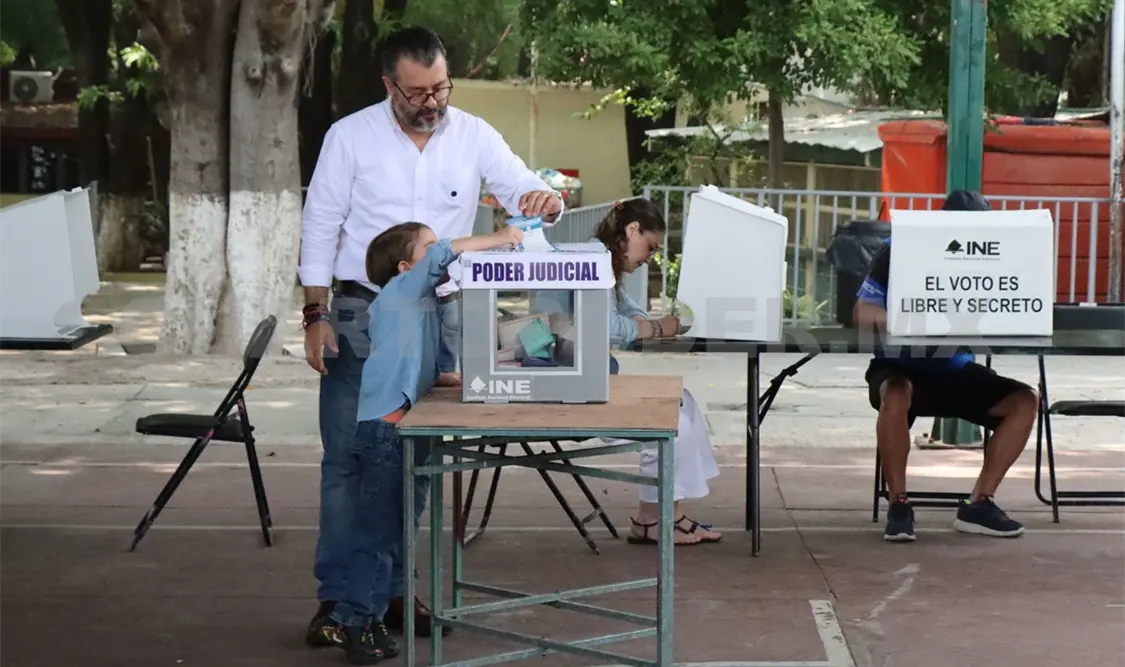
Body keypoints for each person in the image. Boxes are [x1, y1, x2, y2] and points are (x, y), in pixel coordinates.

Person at [298, 26, 563, 646]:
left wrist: (540, 200)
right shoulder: (350, 137)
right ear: (390, 85)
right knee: (348, 461)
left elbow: (521, 185)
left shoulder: (473, 134)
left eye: (441, 87)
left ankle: (388, 594)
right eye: (417, 91)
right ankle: (336, 602)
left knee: (414, 460)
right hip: (359, 315)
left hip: (439, 316)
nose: (432, 101)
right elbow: (320, 224)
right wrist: (314, 316)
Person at [325, 221, 524, 665]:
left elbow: (443, 360)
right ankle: (354, 619)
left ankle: (368, 614)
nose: (443, 254)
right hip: (384, 431)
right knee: (376, 535)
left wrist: (451, 299)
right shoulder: (397, 294)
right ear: (404, 267)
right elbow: (445, 254)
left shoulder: (422, 306)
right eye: (430, 248)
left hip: (407, 430)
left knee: (395, 533)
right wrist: (500, 238)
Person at [852, 189, 1039, 543]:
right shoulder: (898, 249)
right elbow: (862, 312)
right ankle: (899, 504)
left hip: (954, 370)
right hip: (900, 368)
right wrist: (913, 319)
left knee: (1026, 401)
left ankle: (979, 504)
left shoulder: (995, 256)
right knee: (896, 391)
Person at [535, 199, 722, 545]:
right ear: (631, 230)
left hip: (581, 379)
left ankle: (669, 515)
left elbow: (625, 308)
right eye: (649, 247)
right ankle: (651, 521)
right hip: (565, 388)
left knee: (684, 402)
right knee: (672, 418)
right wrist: (654, 329)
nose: (649, 257)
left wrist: (649, 323)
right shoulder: (591, 259)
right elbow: (602, 324)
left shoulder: (600, 259)